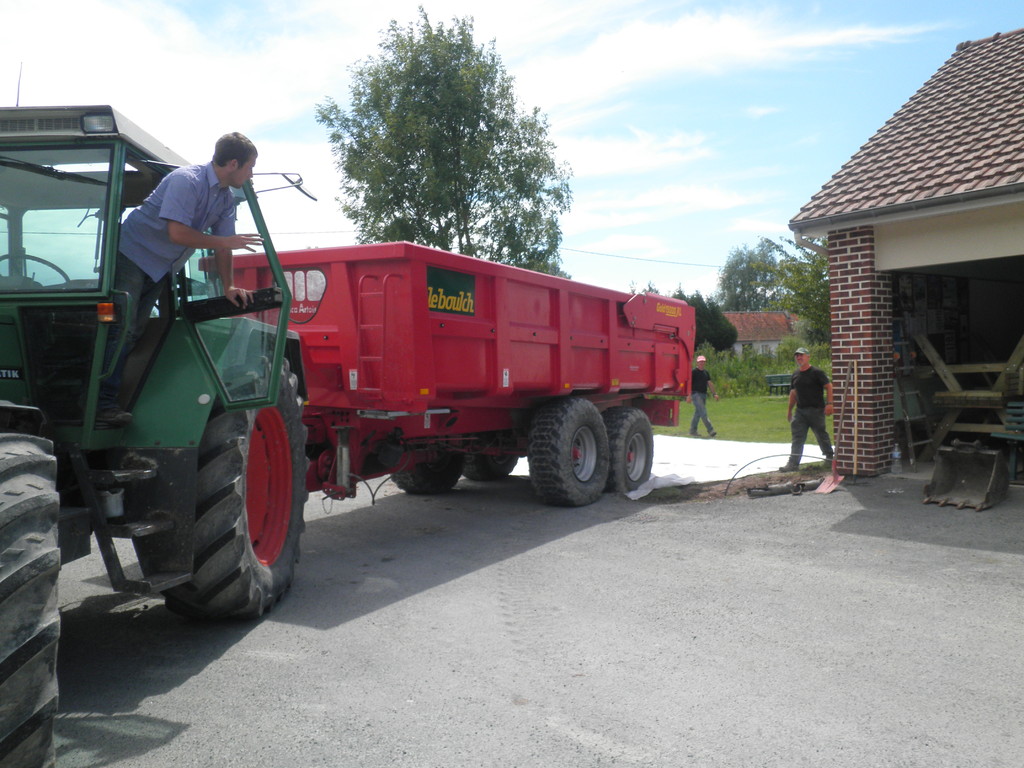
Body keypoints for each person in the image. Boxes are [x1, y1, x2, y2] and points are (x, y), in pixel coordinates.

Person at [96, 133, 262, 427]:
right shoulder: (187, 181)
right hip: (132, 255)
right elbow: (178, 234)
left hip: (160, 266)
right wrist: (226, 241)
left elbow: (223, 245)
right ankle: (100, 405)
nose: (251, 174)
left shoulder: (224, 198)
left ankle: (112, 399)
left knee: (134, 331)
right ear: (233, 163)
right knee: (120, 329)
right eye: (250, 167)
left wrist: (228, 286)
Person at [780, 347, 834, 471]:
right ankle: (793, 463)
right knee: (797, 437)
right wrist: (789, 410)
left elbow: (829, 386)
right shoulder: (795, 374)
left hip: (816, 410)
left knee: (821, 434)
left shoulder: (816, 372)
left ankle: (829, 458)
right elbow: (793, 393)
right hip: (800, 411)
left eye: (802, 355)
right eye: (797, 356)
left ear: (808, 357)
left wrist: (830, 404)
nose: (799, 358)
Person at [687, 354, 719, 437]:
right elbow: (689, 383)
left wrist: (714, 393)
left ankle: (692, 431)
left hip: (703, 395)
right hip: (695, 394)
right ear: (697, 363)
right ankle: (711, 430)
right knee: (703, 413)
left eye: (703, 361)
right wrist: (688, 395)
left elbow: (709, 383)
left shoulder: (706, 373)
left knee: (698, 413)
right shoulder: (693, 372)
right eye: (700, 361)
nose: (702, 363)